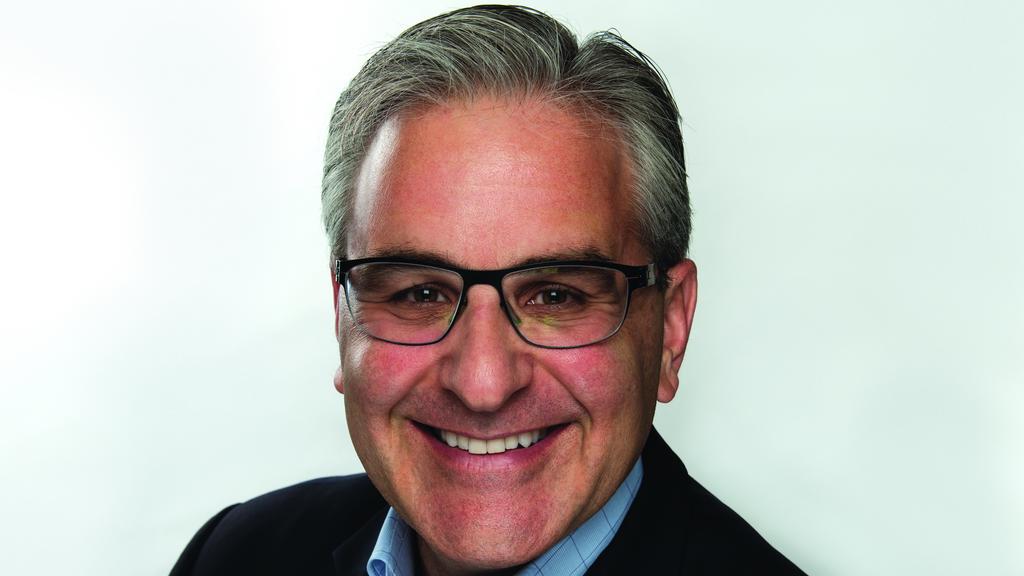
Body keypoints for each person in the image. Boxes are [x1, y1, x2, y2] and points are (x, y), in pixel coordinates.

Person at [171, 5, 805, 575]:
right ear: (343, 317)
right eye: (420, 294)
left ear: (670, 328)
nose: (483, 385)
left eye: (556, 296)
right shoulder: (235, 556)